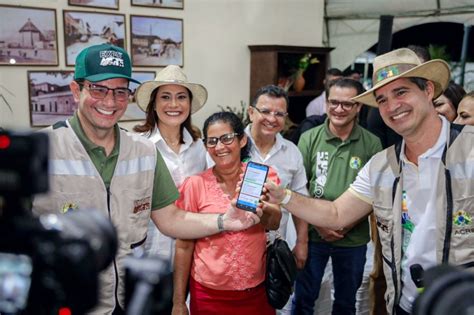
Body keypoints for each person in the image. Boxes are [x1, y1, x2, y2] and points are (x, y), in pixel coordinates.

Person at [31, 43, 262, 315]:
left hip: (131, 301)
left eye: (119, 91)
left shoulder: (143, 152)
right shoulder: (40, 149)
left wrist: (224, 220)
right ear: (75, 90)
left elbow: (171, 218)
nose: (109, 101)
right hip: (66, 302)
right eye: (98, 89)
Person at [264, 48, 474, 315]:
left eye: (401, 92)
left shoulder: (469, 149)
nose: (391, 106)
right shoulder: (382, 165)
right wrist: (283, 196)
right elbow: (337, 213)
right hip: (404, 305)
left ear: (428, 90)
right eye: (382, 99)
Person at [172, 111, 281, 315]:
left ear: (242, 140)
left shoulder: (260, 176)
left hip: (256, 292)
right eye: (212, 141)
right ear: (206, 146)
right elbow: (184, 246)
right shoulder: (195, 185)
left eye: (227, 138)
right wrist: (178, 302)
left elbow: (274, 222)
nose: (220, 147)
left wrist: (258, 206)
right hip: (208, 295)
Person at [293, 78, 382, 315]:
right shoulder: (309, 138)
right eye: (333, 102)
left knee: (345, 303)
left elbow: (374, 194)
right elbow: (299, 188)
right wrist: (321, 224)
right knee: (303, 300)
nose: (339, 109)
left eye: (347, 104)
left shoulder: (372, 143)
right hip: (314, 236)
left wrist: (344, 222)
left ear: (358, 107)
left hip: (352, 239)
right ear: (326, 103)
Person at [133, 65, 208, 263]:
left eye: (181, 97)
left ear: (190, 104)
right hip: (149, 251)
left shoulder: (199, 147)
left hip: (191, 251)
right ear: (154, 105)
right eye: (165, 97)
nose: (174, 104)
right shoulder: (138, 146)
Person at [245, 85, 309, 314]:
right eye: (265, 111)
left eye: (279, 114)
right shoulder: (231, 145)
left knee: (279, 305)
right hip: (237, 247)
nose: (272, 119)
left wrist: (302, 243)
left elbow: (301, 201)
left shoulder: (292, 152)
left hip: (277, 249)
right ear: (251, 112)